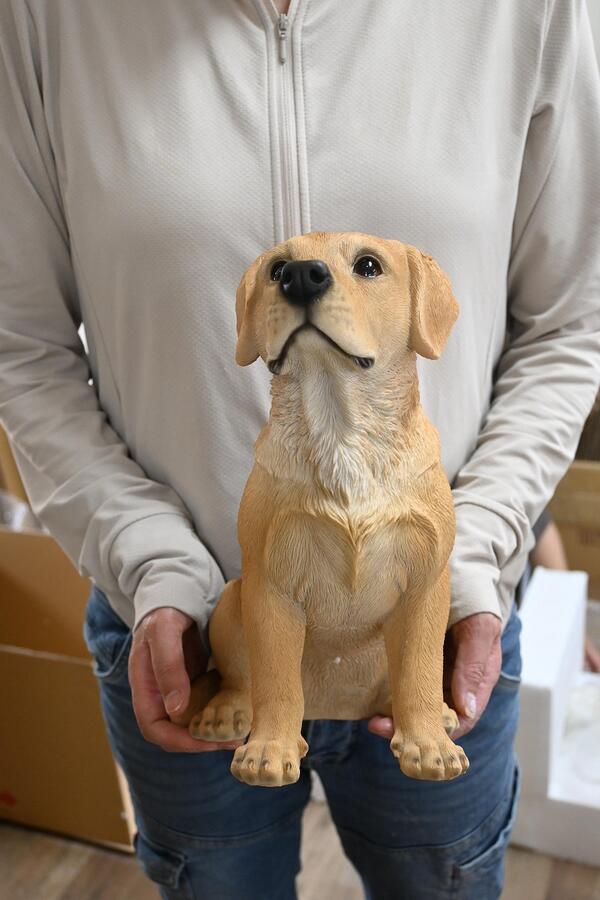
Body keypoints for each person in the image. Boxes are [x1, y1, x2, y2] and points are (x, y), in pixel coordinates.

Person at [1, 1, 599, 897]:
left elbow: (570, 323)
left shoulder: (535, 12)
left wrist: (469, 554)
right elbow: (22, 345)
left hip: (439, 632)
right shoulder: (41, 18)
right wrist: (152, 563)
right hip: (181, 642)